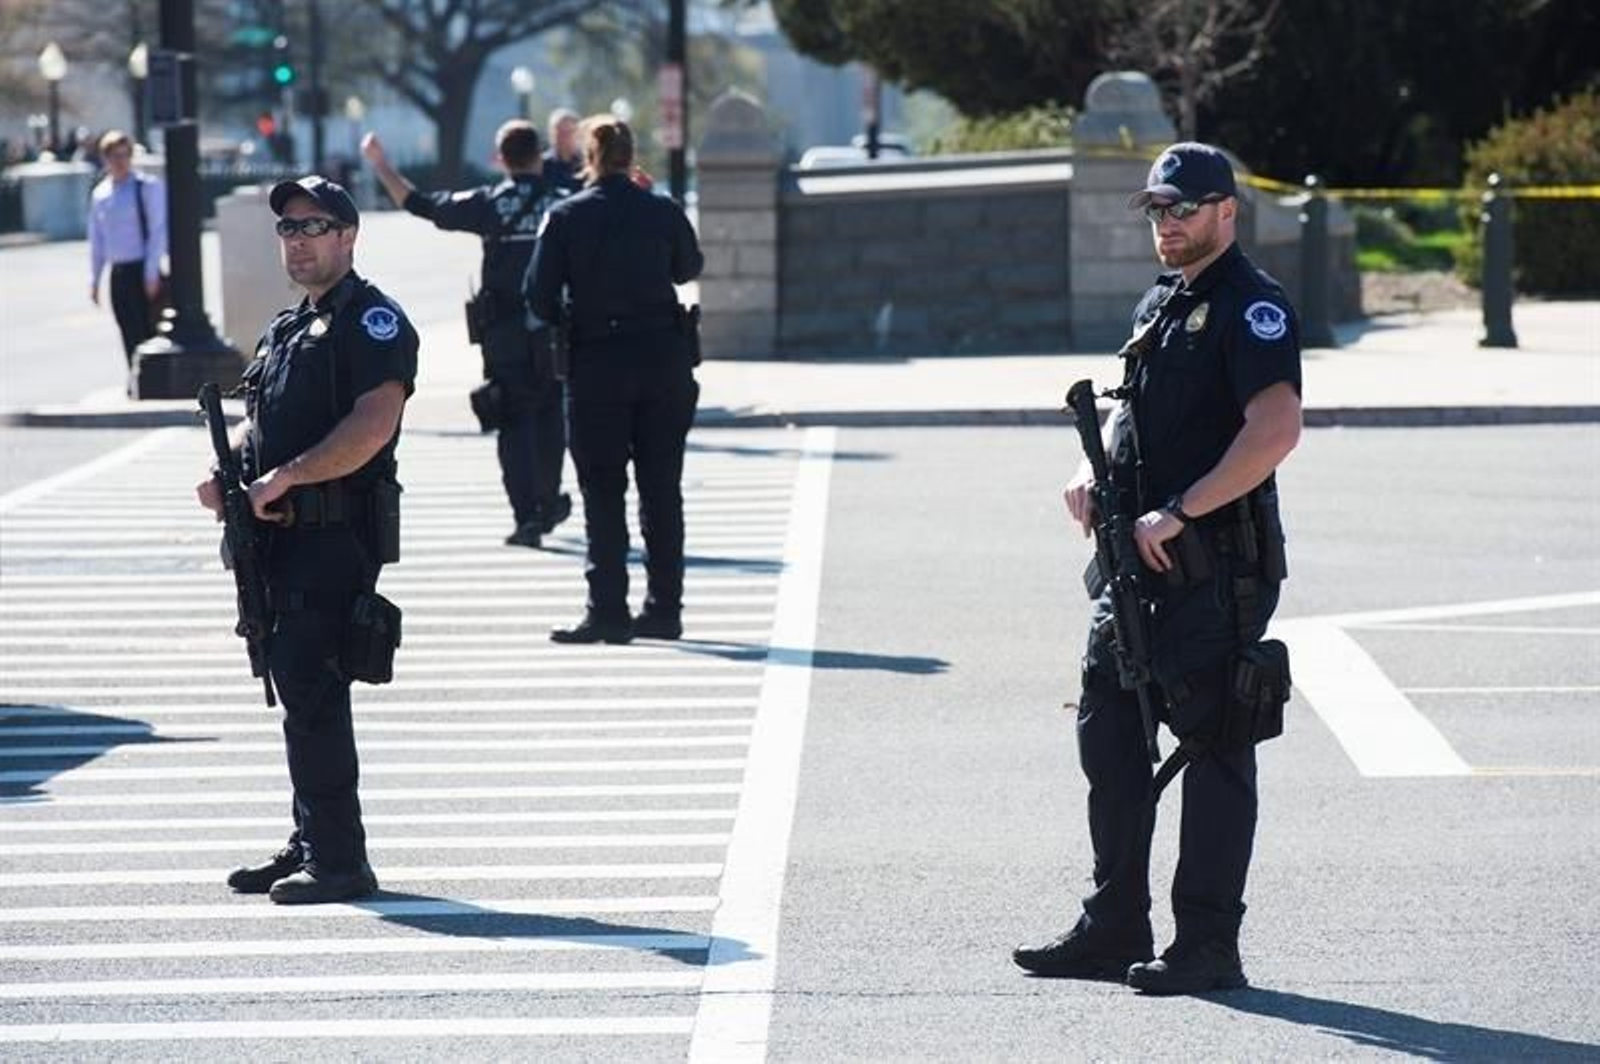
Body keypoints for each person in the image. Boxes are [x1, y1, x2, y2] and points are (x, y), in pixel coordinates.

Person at [1013, 143, 1303, 994]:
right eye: (1157, 211)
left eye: (1183, 209)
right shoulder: (1163, 301)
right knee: (1108, 737)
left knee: (1214, 750)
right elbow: (1130, 413)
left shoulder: (1254, 307)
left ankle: (1208, 944)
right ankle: (1114, 926)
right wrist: (1088, 469)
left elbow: (1274, 430)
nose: (1168, 224)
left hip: (1214, 568)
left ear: (1226, 211)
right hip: (1137, 572)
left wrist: (1182, 511)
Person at [196, 176, 417, 904]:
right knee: (297, 688)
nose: (298, 240)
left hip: (332, 535)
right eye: (288, 229)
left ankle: (342, 861)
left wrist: (284, 479)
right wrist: (230, 472)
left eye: (313, 226)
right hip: (280, 538)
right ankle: (313, 837)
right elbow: (264, 425)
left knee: (316, 693)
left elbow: (372, 425)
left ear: (348, 236)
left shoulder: (373, 322)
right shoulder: (290, 328)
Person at [524, 115, 703, 645]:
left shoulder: (564, 217)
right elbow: (688, 267)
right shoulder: (662, 210)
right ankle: (664, 609)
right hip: (664, 360)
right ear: (631, 156)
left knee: (602, 490)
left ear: (588, 157)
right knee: (661, 489)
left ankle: (607, 611)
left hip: (598, 363)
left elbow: (537, 297)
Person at [362, 121, 571, 548]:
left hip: (505, 331)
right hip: (553, 329)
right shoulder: (564, 203)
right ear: (539, 154)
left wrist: (382, 166)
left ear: (501, 158)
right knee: (550, 415)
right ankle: (548, 502)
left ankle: (526, 514)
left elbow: (418, 203)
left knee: (512, 420)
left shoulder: (489, 204)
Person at [88, 130, 166, 366]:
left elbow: (158, 231)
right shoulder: (100, 194)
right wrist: (94, 279)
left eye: (124, 155)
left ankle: (154, 380)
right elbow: (97, 239)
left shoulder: (146, 186)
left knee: (149, 329)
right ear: (105, 159)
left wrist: (151, 273)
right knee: (127, 329)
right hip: (118, 272)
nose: (119, 161)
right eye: (113, 156)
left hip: (142, 269)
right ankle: (135, 379)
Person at [542, 108, 584, 193]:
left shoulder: (586, 164)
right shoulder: (541, 165)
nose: (563, 138)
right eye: (559, 132)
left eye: (568, 132)